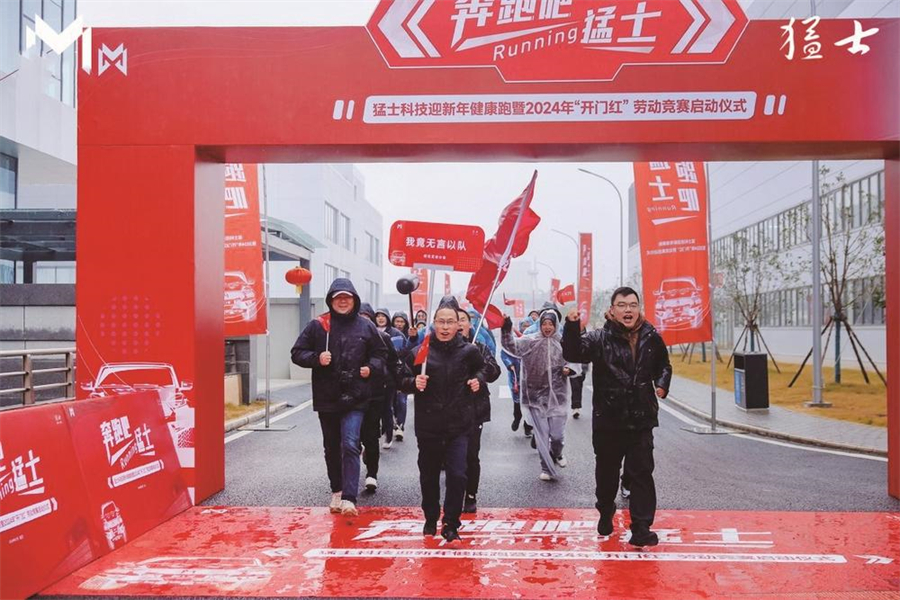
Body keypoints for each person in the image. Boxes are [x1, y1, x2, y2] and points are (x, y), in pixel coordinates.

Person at [561, 286, 672, 548]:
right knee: (607, 474)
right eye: (622, 305)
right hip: (609, 420)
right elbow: (574, 353)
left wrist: (662, 383)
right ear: (612, 310)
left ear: (639, 308)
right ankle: (605, 508)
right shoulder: (599, 338)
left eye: (633, 305)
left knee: (642, 472)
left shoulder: (651, 336)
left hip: (641, 418)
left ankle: (641, 527)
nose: (628, 310)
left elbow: (663, 364)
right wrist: (572, 325)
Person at [291, 279, 387, 516]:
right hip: (327, 396)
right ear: (331, 300)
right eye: (338, 297)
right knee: (332, 446)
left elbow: (380, 353)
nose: (342, 301)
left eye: (347, 297)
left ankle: (349, 498)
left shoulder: (366, 327)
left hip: (356, 396)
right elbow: (297, 353)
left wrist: (371, 368)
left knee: (351, 443)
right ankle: (337, 489)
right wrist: (316, 359)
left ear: (354, 300)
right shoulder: (318, 325)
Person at [399, 298, 485, 542]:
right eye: (441, 322)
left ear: (459, 324)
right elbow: (400, 377)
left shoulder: (469, 351)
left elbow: (483, 370)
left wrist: (478, 380)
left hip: (459, 424)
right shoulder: (421, 352)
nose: (446, 327)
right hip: (429, 426)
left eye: (451, 322)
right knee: (429, 475)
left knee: (458, 475)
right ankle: (430, 515)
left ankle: (451, 523)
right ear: (433, 324)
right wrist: (412, 383)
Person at [501, 308, 573, 481]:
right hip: (535, 396)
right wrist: (506, 327)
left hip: (558, 397)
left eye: (551, 324)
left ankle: (557, 453)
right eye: (544, 324)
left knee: (556, 436)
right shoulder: (530, 341)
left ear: (556, 325)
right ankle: (546, 468)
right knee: (541, 436)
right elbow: (511, 345)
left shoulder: (564, 343)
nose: (547, 327)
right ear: (539, 325)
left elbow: (576, 359)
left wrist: (569, 368)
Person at [458, 309, 501, 513]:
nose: (457, 324)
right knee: (451, 455)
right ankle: (454, 492)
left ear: (469, 324)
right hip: (447, 411)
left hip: (475, 409)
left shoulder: (480, 347)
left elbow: (494, 370)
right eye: (453, 320)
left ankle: (471, 494)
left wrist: (479, 375)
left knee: (470, 454)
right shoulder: (439, 348)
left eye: (462, 320)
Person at [357, 303, 401, 492]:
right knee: (351, 437)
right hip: (350, 396)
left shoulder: (383, 338)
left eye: (368, 317)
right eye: (361, 316)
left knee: (371, 435)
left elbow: (394, 363)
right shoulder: (346, 337)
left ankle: (371, 474)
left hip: (376, 393)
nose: (364, 320)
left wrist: (400, 383)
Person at [375, 307, 408, 449]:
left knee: (388, 407)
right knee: (375, 408)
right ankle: (377, 433)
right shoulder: (370, 331)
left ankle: (390, 433)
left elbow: (403, 354)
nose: (381, 318)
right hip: (373, 376)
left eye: (383, 316)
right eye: (378, 316)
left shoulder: (396, 334)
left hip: (389, 377)